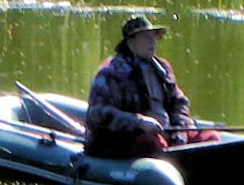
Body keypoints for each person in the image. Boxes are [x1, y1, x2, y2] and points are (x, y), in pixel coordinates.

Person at [86, 15, 220, 158]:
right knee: (154, 144)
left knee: (210, 138)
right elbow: (97, 114)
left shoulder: (163, 69)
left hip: (167, 131)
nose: (153, 42)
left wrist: (180, 130)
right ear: (130, 42)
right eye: (146, 37)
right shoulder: (111, 73)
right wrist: (139, 122)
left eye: (154, 37)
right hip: (128, 138)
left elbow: (179, 103)